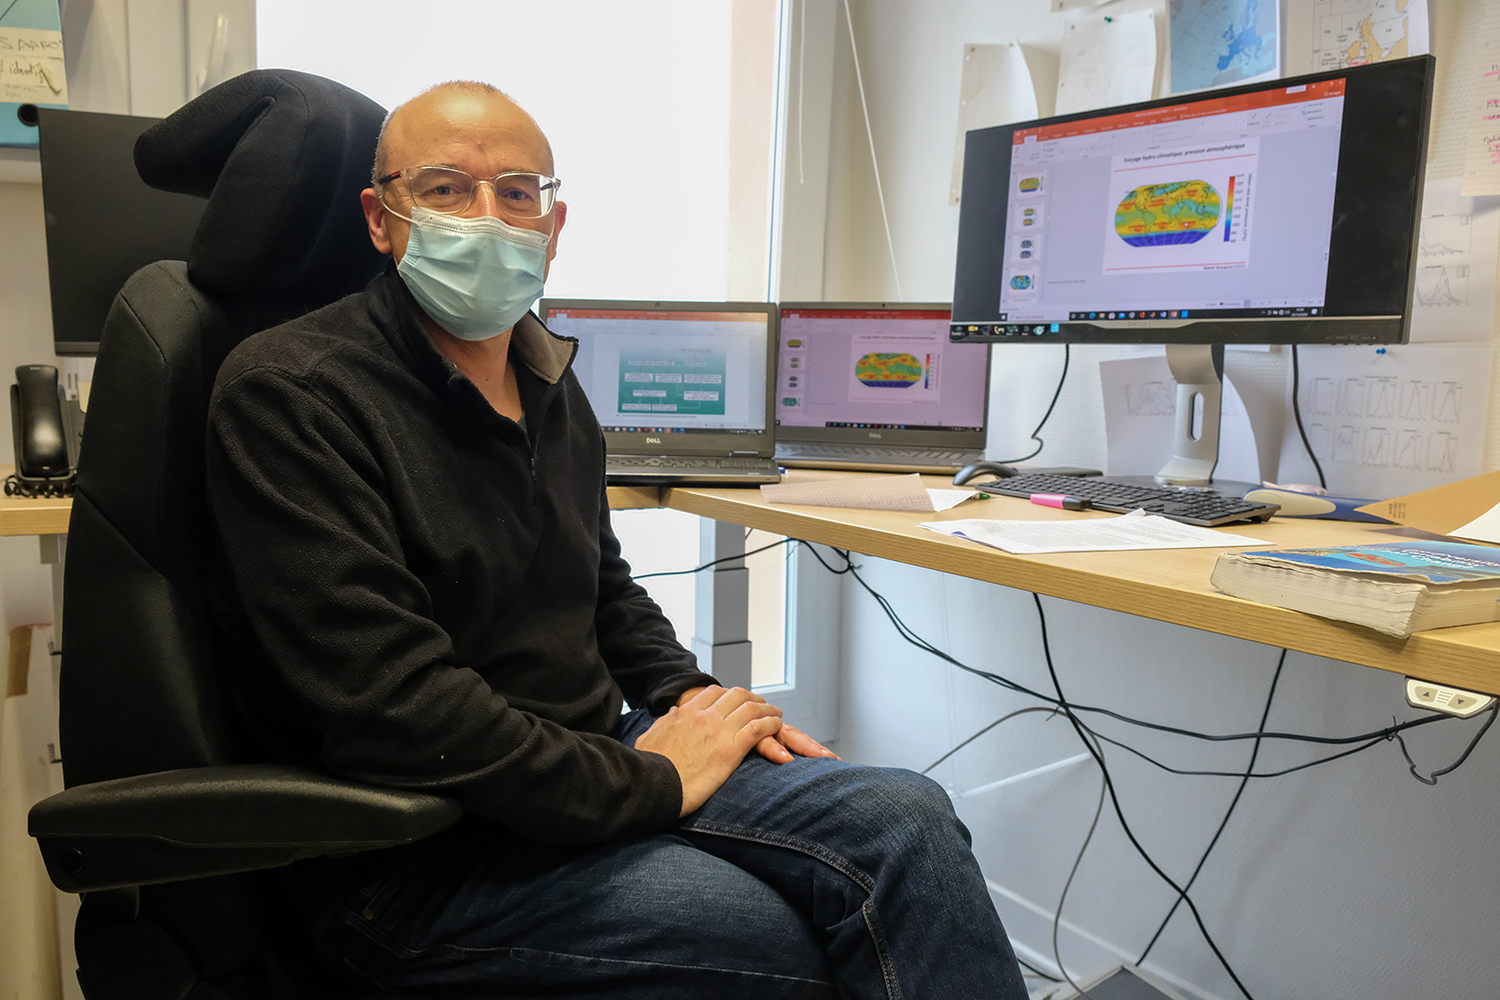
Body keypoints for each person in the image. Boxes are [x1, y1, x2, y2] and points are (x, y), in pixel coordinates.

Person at [205, 79, 1028, 999]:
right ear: (380, 217)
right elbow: (394, 707)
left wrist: (702, 704)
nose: (488, 216)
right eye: (445, 189)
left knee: (907, 817)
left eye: (517, 192)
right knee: (777, 935)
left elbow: (603, 591)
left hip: (597, 757)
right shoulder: (292, 392)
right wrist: (652, 785)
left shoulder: (547, 374)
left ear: (553, 226)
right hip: (422, 845)